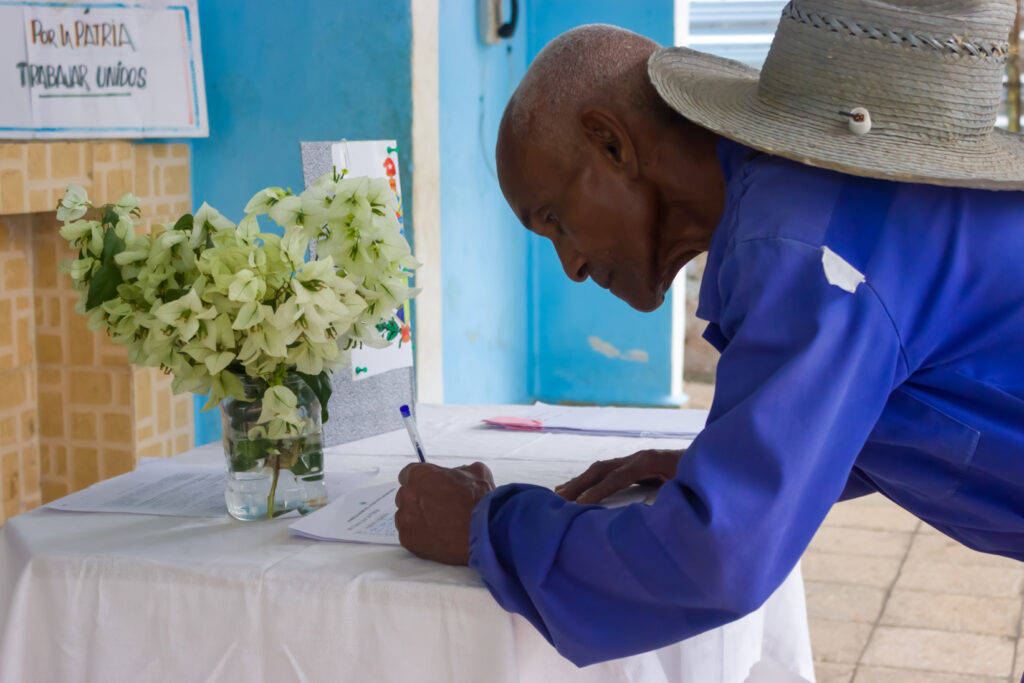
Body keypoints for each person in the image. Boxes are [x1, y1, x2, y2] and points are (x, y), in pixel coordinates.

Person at [395, 0, 1024, 667]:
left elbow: (718, 557)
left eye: (554, 219)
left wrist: (487, 527)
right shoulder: (809, 205)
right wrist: (732, 457)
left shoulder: (799, 240)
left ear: (612, 143)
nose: (571, 264)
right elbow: (931, 404)